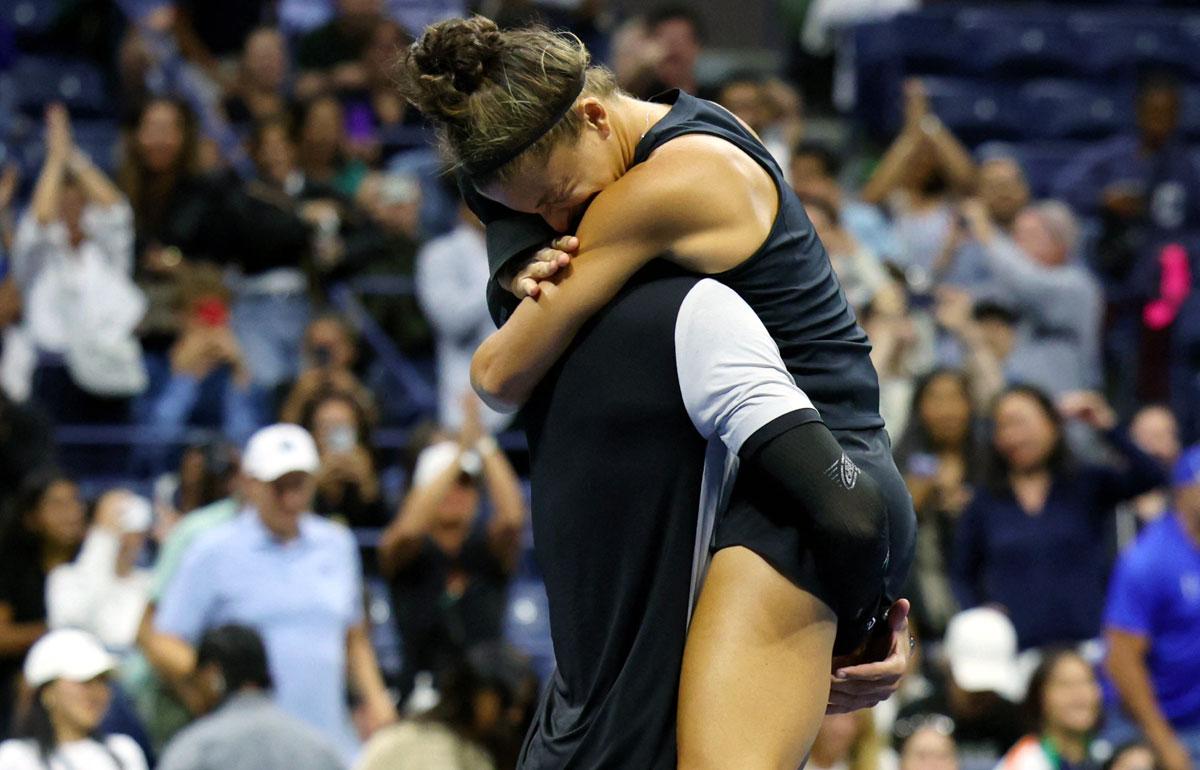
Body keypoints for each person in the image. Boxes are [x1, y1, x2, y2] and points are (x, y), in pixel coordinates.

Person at [396, 17, 915, 766]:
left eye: (558, 199)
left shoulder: (669, 186)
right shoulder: (671, 127)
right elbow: (510, 205)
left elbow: (499, 374)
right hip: (747, 476)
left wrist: (863, 613)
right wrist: (514, 256)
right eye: (532, 214)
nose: (557, 224)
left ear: (595, 115)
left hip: (818, 491)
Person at [146, 424, 396, 761]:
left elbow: (353, 637)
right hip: (248, 750)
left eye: (299, 484)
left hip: (329, 741)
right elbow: (163, 640)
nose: (291, 498)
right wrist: (217, 678)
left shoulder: (336, 544)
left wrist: (377, 701)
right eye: (278, 486)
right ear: (251, 484)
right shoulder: (213, 551)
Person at [953, 387, 1166, 649]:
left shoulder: (1086, 483)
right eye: (1003, 426)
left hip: (1088, 644)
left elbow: (1152, 476)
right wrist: (980, 616)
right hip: (1016, 652)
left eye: (1021, 423)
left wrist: (1106, 426)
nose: (1013, 436)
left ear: (1052, 425)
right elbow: (961, 574)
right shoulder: (984, 501)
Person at [378, 396, 526, 697]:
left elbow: (512, 518)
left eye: (466, 483)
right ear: (422, 491)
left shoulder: (486, 549)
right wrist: (460, 452)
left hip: (484, 700)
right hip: (422, 695)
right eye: (445, 484)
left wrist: (481, 441)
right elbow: (405, 532)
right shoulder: (408, 553)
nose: (455, 492)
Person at [12, 103, 147, 421]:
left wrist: (71, 153)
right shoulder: (37, 258)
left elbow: (115, 210)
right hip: (52, 372)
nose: (70, 208)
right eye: (63, 201)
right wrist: (55, 160)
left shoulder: (107, 255)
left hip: (110, 372)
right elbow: (40, 221)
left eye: (78, 201)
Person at [1103, 444, 1200, 770]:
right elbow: (1122, 660)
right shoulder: (1149, 560)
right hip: (1160, 723)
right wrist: (1164, 744)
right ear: (1184, 490)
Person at [958, 199, 1103, 397]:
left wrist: (987, 234)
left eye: (1030, 235)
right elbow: (989, 295)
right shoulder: (1015, 282)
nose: (1018, 245)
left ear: (1061, 243)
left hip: (1067, 399)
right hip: (1020, 396)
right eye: (1016, 236)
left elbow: (1028, 281)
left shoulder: (1077, 284)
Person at [156, 625, 344, 770]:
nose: (192, 695)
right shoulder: (320, 748)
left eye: (195, 682)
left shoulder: (197, 750)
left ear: (212, 675)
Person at [893, 369, 985, 638]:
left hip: (983, 598)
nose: (946, 410)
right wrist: (920, 496)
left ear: (970, 404)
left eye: (954, 398)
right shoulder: (901, 464)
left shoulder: (991, 461)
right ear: (919, 407)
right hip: (924, 605)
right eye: (935, 399)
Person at [0, 474, 85, 739]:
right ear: (32, 517)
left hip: (87, 668)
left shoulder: (94, 559)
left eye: (74, 502)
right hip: (20, 674)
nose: (70, 513)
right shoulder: (11, 567)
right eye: (57, 505)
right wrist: (55, 632)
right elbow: (2, 637)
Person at [415, 206, 510, 432]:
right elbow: (451, 319)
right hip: (471, 391)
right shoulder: (439, 253)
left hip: (526, 383)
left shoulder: (523, 246)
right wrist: (501, 278)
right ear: (462, 207)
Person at [0, 629, 148, 769]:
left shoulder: (124, 751)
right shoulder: (15, 759)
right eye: (84, 681)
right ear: (47, 692)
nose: (96, 693)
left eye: (103, 680)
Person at [897, 608, 1025, 766]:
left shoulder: (1016, 722)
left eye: (987, 689)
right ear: (947, 666)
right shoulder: (915, 716)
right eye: (972, 690)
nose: (980, 696)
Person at [46, 490, 153, 656]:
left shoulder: (150, 583)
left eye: (134, 535)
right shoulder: (64, 578)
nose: (125, 541)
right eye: (119, 532)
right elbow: (74, 620)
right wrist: (103, 538)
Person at [790, 140, 897, 262]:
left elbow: (895, 268)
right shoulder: (790, 224)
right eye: (795, 178)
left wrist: (852, 251)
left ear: (830, 181)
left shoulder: (864, 219)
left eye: (808, 177)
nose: (800, 188)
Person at [997, 649, 1104, 770]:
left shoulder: (1105, 753)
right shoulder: (1025, 762)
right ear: (1039, 696)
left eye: (1087, 682)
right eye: (1066, 684)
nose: (1080, 694)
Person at [302, 390, 389, 528]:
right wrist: (313, 485)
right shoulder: (298, 473)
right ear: (312, 433)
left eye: (342, 428)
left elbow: (390, 537)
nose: (334, 436)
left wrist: (369, 488)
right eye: (326, 427)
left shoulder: (376, 472)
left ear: (358, 432)